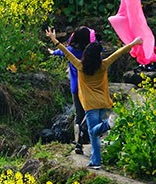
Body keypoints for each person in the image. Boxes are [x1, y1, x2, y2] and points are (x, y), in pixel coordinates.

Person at [47, 27, 143, 170]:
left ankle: (108, 125)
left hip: (90, 105)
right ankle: (96, 162)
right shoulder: (103, 65)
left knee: (93, 131)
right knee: (95, 136)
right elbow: (118, 53)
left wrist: (54, 40)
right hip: (104, 102)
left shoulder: (80, 66)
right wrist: (133, 43)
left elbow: (66, 53)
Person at [49, 26, 94, 154]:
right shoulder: (89, 52)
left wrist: (52, 51)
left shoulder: (71, 51)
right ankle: (91, 139)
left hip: (76, 88)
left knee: (79, 115)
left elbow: (61, 51)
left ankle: (78, 143)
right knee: (90, 114)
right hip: (89, 88)